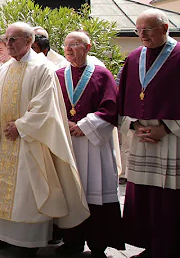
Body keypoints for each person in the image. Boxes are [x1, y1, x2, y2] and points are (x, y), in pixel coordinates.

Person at [0, 22, 88, 257]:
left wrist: (20, 126)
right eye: (7, 39)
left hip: (29, 140)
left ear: (29, 42)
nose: (8, 44)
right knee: (4, 188)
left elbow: (45, 106)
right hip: (3, 140)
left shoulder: (42, 68)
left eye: (13, 39)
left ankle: (27, 241)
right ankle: (4, 234)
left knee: (27, 190)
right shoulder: (6, 68)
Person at [117, 9, 180, 257]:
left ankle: (170, 247)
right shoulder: (134, 58)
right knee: (143, 193)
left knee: (168, 195)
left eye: (148, 29)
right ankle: (150, 245)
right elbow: (123, 97)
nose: (142, 35)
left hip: (172, 137)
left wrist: (165, 128)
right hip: (141, 135)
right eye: (138, 30)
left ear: (165, 29)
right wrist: (134, 125)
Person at [55, 32, 124, 257]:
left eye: (75, 44)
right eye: (66, 45)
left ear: (88, 47)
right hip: (67, 143)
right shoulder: (57, 75)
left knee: (96, 193)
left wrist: (83, 126)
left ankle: (98, 244)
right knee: (70, 191)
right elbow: (49, 106)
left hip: (94, 146)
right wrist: (64, 123)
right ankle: (71, 241)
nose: (69, 49)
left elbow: (111, 108)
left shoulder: (102, 75)